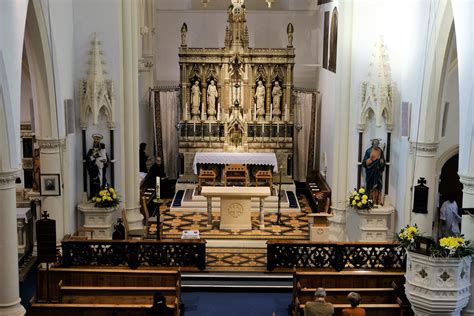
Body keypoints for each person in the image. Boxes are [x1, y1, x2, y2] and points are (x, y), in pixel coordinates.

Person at [362, 138, 385, 205]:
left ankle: (378, 200)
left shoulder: (380, 151)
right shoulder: (368, 151)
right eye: (375, 144)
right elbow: (364, 162)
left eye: (377, 144)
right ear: (372, 144)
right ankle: (370, 200)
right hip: (370, 172)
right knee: (370, 185)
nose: (376, 146)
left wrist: (381, 162)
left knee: (378, 186)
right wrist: (369, 160)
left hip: (377, 172)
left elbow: (383, 161)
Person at [86, 134, 109, 199]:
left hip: (101, 170)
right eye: (95, 142)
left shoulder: (103, 151)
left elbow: (106, 161)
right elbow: (88, 161)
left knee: (102, 182)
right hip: (94, 171)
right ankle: (94, 196)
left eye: (97, 142)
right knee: (94, 183)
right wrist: (92, 157)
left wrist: (104, 161)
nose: (96, 143)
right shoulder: (91, 151)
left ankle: (103, 197)